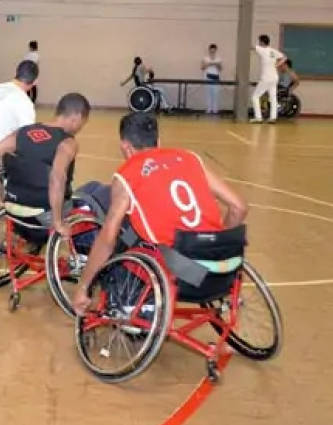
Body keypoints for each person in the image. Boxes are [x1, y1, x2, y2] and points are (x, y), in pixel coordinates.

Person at [70, 111, 249, 315]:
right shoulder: (190, 158)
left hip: (181, 270)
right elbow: (239, 207)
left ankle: (131, 299)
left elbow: (108, 238)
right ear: (158, 141)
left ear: (125, 147)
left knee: (123, 233)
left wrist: (83, 286)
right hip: (220, 269)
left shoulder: (127, 174)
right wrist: (216, 245)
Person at [0, 93, 92, 252]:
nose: (80, 128)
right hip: (42, 218)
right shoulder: (67, 142)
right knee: (91, 198)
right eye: (82, 123)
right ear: (76, 117)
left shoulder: (23, 132)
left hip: (13, 211)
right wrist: (58, 222)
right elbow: (56, 179)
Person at [251, 34, 288, 124]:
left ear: (262, 42)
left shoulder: (262, 50)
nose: (258, 43)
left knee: (255, 97)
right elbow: (284, 57)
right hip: (274, 77)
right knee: (273, 97)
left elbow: (252, 47)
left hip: (266, 78)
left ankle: (258, 117)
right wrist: (277, 65)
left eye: (259, 41)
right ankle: (273, 118)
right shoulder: (273, 51)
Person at [202, 44, 222, 114]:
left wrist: (217, 64)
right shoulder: (205, 58)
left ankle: (215, 109)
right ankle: (209, 109)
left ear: (216, 50)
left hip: (216, 78)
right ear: (209, 50)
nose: (212, 51)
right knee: (208, 94)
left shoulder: (218, 59)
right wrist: (208, 64)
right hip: (208, 77)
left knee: (215, 95)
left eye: (214, 50)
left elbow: (220, 69)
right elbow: (202, 68)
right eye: (211, 50)